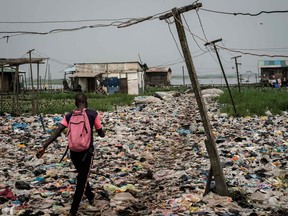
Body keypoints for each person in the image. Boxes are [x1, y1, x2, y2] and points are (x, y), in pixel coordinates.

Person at [36, 93, 105, 216]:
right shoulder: (93, 114)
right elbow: (101, 133)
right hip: (86, 153)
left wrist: (44, 146)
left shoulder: (69, 116)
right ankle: (73, 211)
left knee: (83, 176)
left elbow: (58, 131)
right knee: (81, 180)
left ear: (75, 103)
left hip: (73, 153)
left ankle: (90, 196)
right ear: (86, 102)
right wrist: (100, 131)